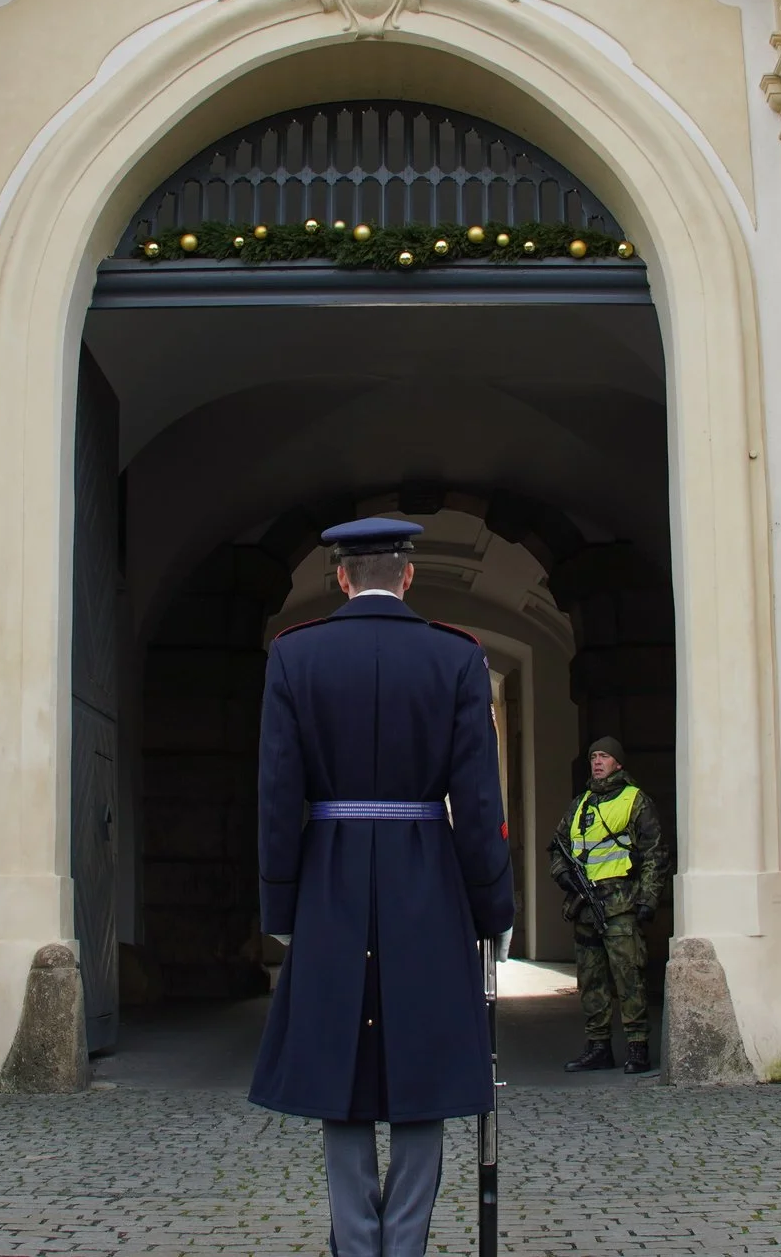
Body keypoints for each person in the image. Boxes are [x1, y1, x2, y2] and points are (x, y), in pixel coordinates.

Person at [249, 517, 515, 1257]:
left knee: (341, 1073)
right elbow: (478, 801)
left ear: (341, 577)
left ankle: (357, 1243)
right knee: (422, 1073)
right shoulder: (455, 657)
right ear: (408, 575)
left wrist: (282, 905)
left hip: (328, 884)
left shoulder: (295, 655)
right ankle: (405, 1244)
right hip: (426, 883)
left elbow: (278, 796)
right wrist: (493, 909)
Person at [553, 736, 670, 1075]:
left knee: (629, 977)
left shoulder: (635, 801)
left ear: (618, 762)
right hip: (584, 906)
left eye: (604, 756)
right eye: (593, 756)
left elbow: (655, 853)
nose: (597, 761)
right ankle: (598, 1046)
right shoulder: (580, 804)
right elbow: (558, 846)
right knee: (591, 980)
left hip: (620, 905)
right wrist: (564, 875)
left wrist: (648, 899)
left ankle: (637, 1046)